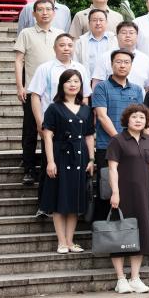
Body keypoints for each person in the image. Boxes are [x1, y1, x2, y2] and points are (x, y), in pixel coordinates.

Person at [40, 69, 95, 254]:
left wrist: (91, 159)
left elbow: (89, 136)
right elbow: (48, 136)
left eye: (76, 81)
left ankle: (71, 241)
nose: (73, 84)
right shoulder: (54, 108)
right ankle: (61, 242)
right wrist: (50, 161)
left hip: (80, 157)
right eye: (69, 81)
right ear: (62, 85)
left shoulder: (86, 109)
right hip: (61, 156)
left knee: (75, 200)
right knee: (59, 198)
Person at [105, 104, 149, 294]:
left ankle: (135, 278)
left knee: (141, 234)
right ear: (127, 119)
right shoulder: (117, 140)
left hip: (142, 194)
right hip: (122, 194)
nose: (138, 120)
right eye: (134, 117)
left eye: (142, 117)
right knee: (120, 234)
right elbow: (112, 168)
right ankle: (120, 279)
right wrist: (115, 192)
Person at [91, 50, 146, 219]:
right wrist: (120, 140)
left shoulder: (136, 89)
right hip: (107, 146)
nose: (123, 65)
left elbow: (140, 118)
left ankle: (127, 229)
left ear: (131, 65)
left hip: (132, 148)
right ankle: (103, 229)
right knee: (106, 191)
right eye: (119, 62)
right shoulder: (101, 87)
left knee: (129, 189)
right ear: (111, 64)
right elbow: (102, 116)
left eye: (126, 62)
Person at [14, 0, 62, 184]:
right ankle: (29, 168)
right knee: (30, 130)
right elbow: (19, 60)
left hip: (56, 93)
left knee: (54, 129)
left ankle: (50, 164)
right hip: (33, 90)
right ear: (33, 13)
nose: (45, 13)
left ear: (54, 13)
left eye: (48, 9)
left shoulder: (60, 34)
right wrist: (20, 86)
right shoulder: (26, 33)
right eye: (40, 10)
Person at [28, 35, 93, 158]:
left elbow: (85, 95)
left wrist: (83, 118)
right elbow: (35, 96)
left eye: (70, 45)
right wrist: (39, 122)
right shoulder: (44, 68)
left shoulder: (81, 68)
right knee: (51, 159)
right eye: (62, 45)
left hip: (76, 122)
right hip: (52, 122)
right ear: (54, 48)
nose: (66, 48)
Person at [92, 22, 149, 90]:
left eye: (131, 33)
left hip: (139, 97)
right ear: (117, 36)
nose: (128, 35)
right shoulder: (105, 57)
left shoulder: (146, 59)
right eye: (124, 33)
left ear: (137, 36)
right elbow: (96, 84)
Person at [74, 9, 117, 76]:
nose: (98, 23)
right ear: (89, 23)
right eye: (94, 20)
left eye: (101, 20)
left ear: (106, 22)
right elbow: (75, 63)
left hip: (110, 80)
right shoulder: (80, 42)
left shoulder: (114, 40)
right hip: (87, 80)